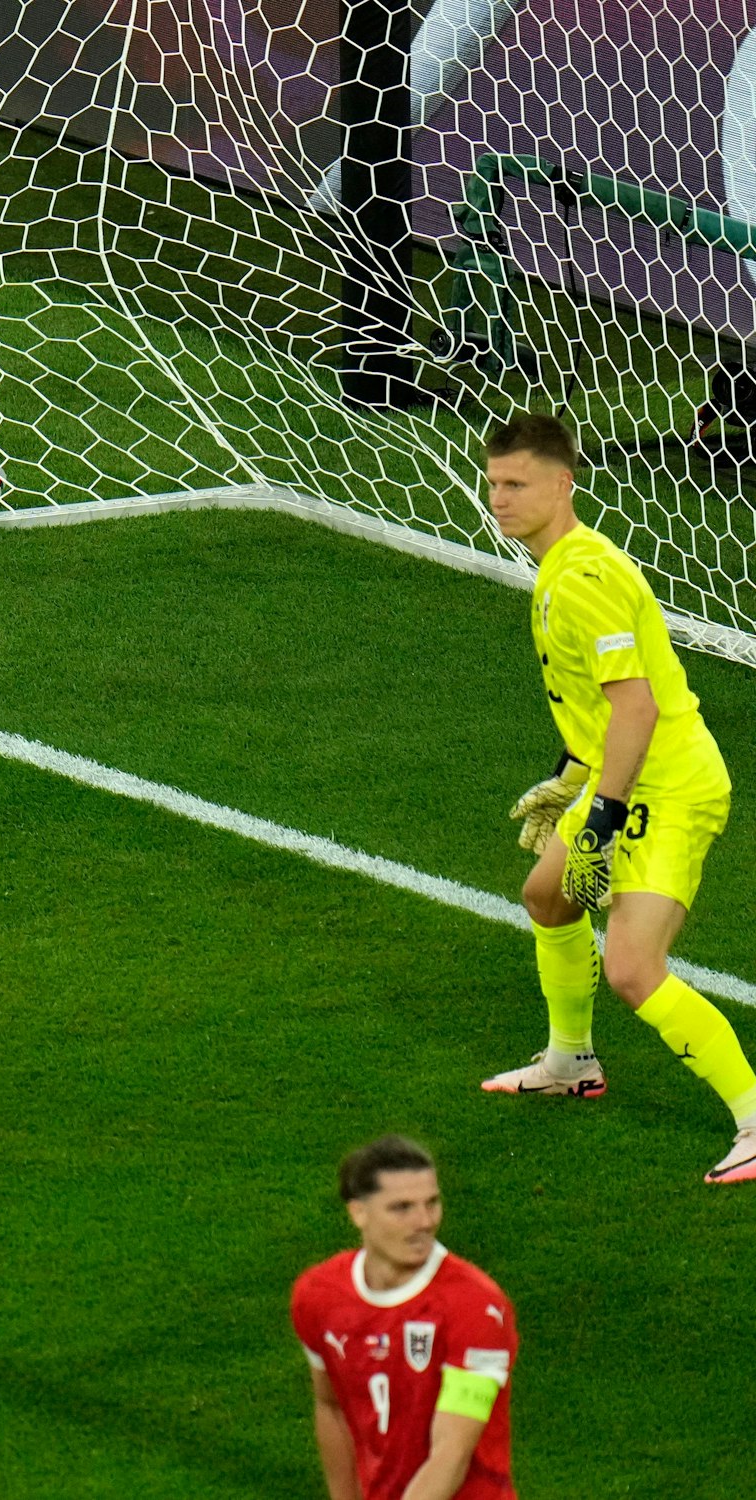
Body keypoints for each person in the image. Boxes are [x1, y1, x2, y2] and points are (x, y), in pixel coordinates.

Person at [483, 413, 756, 1183]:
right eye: (494, 483)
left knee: (635, 967)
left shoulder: (586, 580)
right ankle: (571, 1060)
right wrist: (573, 780)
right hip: (618, 779)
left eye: (518, 484)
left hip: (667, 786)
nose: (500, 499)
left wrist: (598, 817)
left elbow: (635, 708)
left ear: (563, 483)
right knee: (548, 896)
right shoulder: (559, 565)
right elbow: (597, 712)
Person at [291, 1137, 517, 1500]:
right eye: (402, 1208)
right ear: (358, 1213)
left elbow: (451, 1453)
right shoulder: (319, 1296)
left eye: (432, 1203)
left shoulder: (476, 1306)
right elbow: (330, 1406)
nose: (424, 1222)